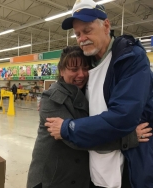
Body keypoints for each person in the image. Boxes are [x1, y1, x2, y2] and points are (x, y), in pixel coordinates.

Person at [45, 0, 153, 187]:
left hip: (127, 170)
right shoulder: (90, 64)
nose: (81, 38)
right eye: (77, 34)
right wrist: (52, 98)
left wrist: (68, 128)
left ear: (106, 26)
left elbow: (123, 117)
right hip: (95, 171)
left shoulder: (130, 59)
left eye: (87, 30)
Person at [27, 46, 142, 188]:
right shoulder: (52, 98)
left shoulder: (87, 93)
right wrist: (128, 138)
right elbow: (79, 138)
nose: (81, 74)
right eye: (74, 70)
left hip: (76, 177)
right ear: (62, 71)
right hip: (52, 179)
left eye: (85, 68)